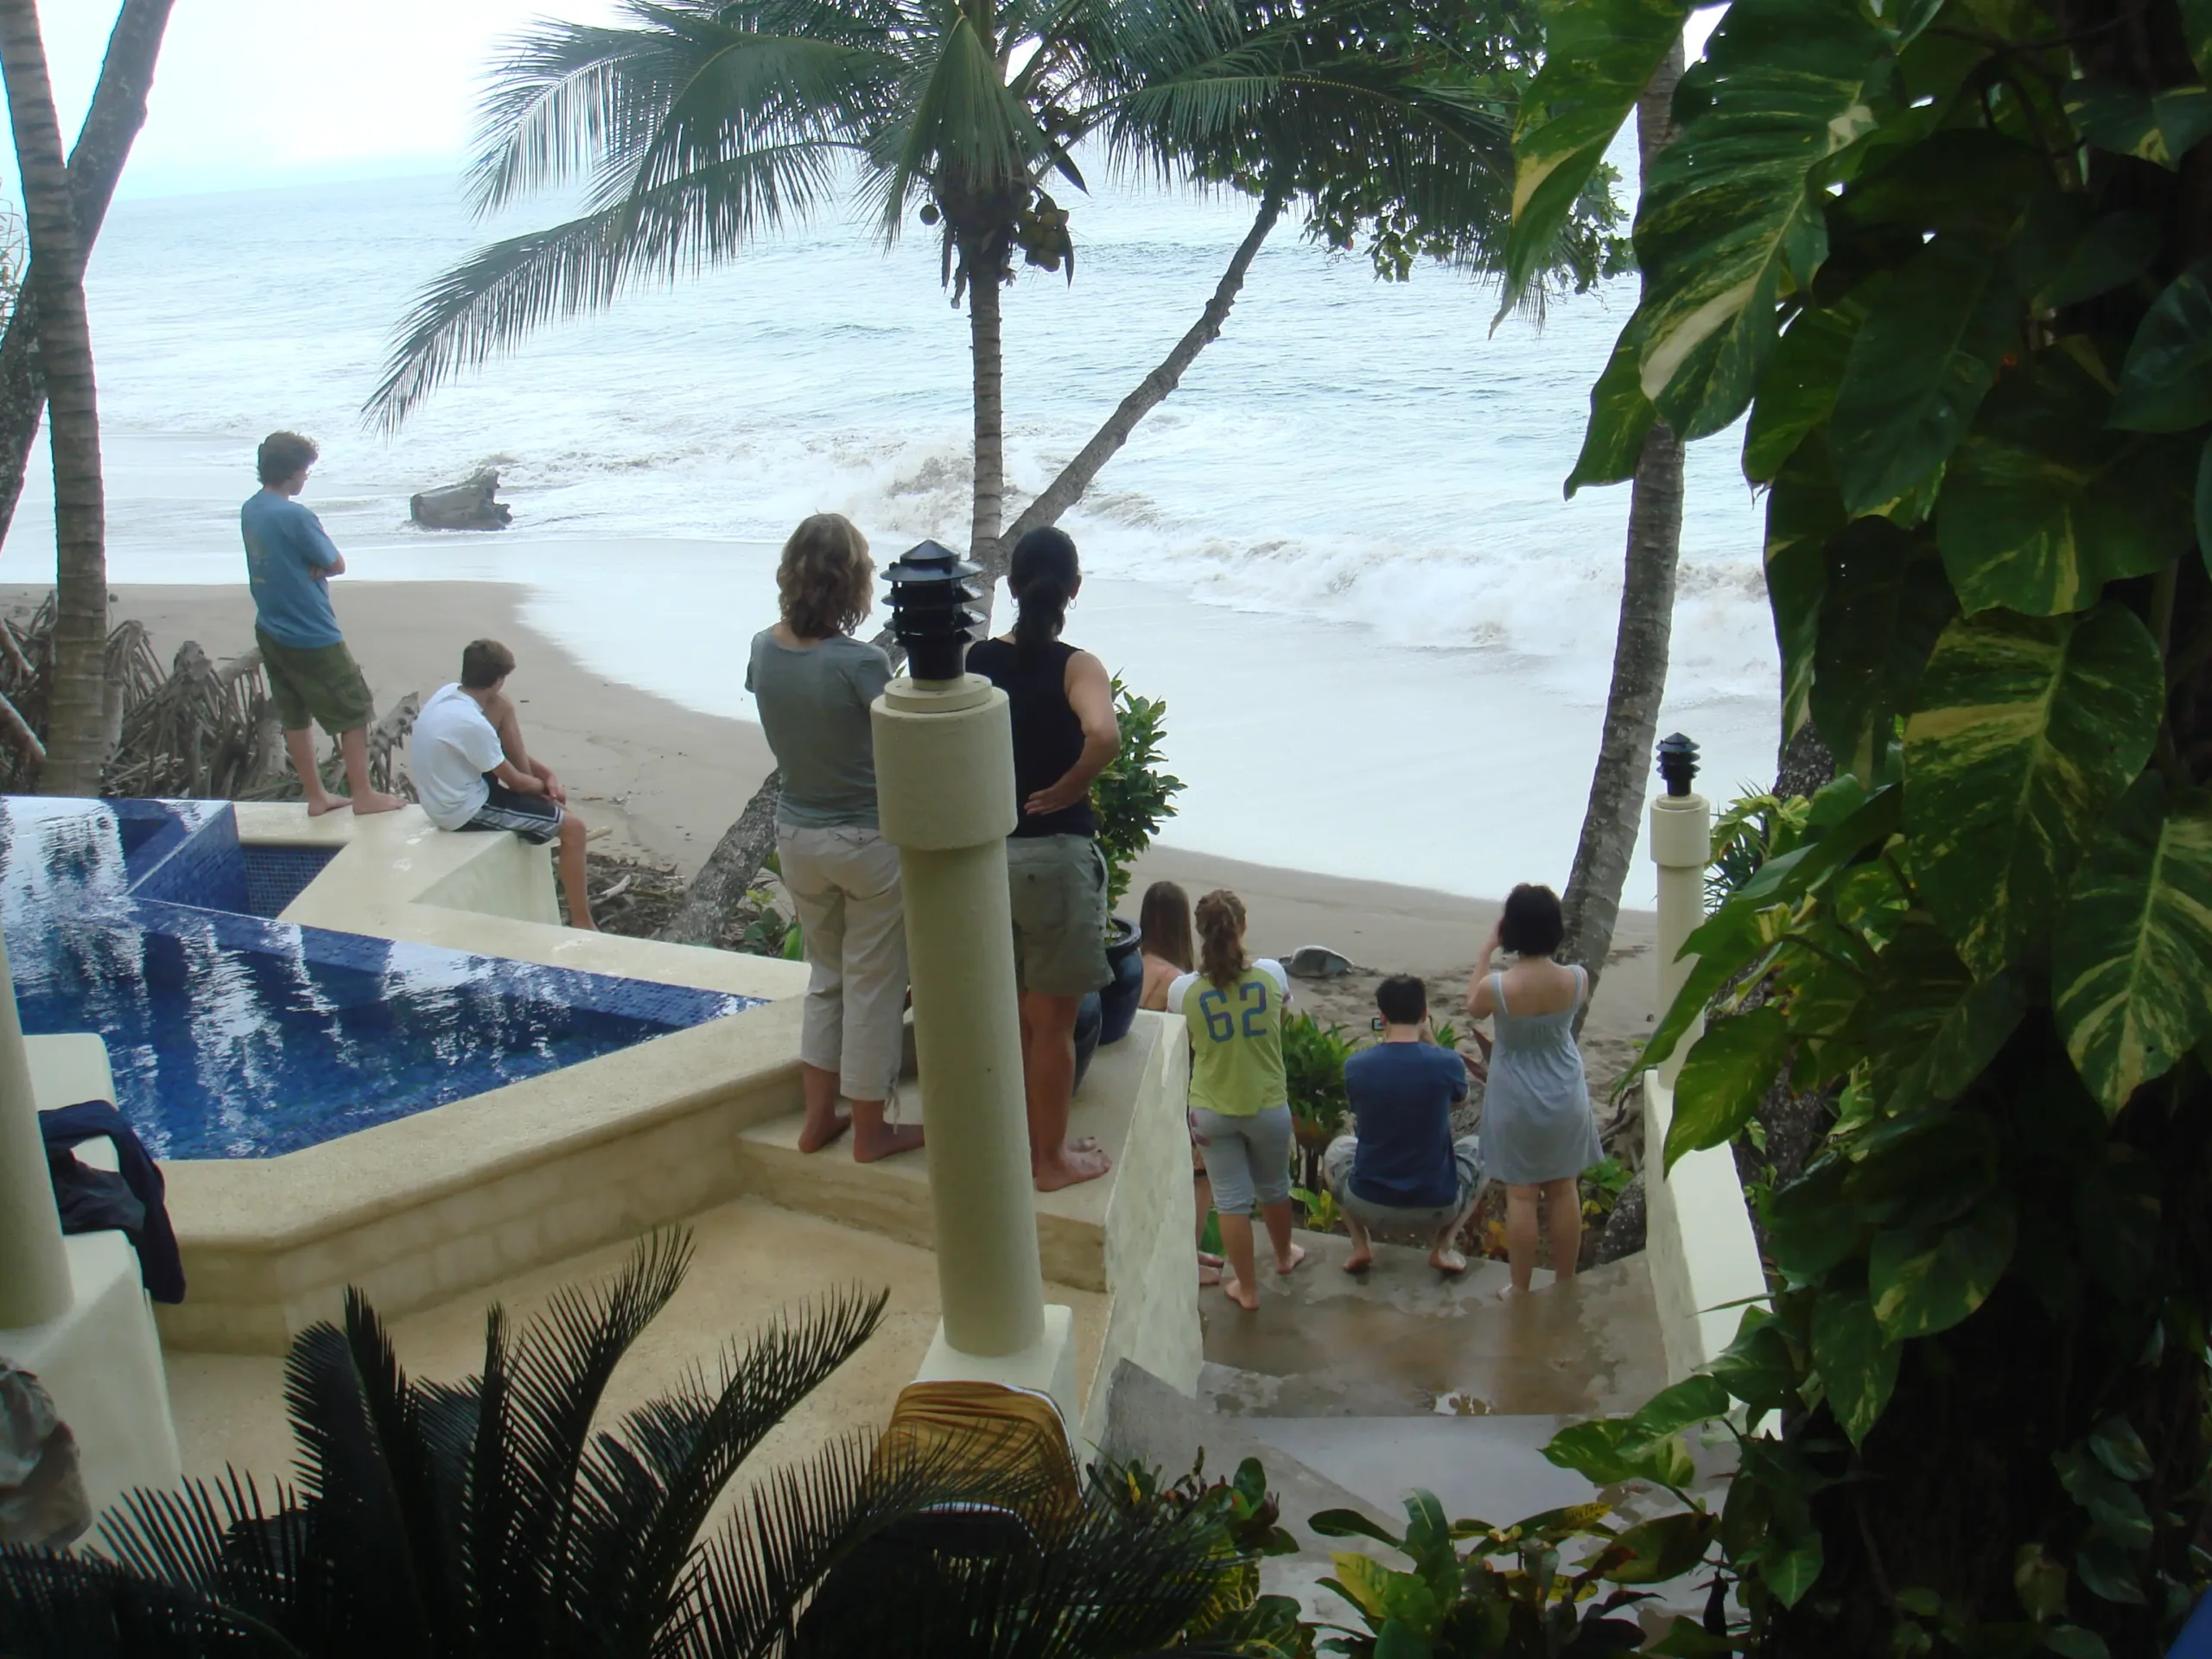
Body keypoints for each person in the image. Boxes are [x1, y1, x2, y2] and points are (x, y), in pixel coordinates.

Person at [747, 513, 923, 1164]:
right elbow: (900, 739)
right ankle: (872, 1129)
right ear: (853, 583)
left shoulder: (763, 649)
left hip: (797, 832)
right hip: (864, 839)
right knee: (874, 982)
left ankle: (819, 1118)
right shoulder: (862, 662)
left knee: (827, 978)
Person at [970, 527, 1119, 1192]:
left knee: (1006, 1018)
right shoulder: (1077, 666)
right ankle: (1048, 1160)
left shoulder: (977, 660)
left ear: (1011, 586)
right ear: (1073, 590)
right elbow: (1104, 734)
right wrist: (1070, 787)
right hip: (1054, 861)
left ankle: (1017, 1146)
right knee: (1053, 1026)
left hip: (986, 859)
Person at [240, 431, 402, 817]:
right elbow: (336, 563)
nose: (305, 477)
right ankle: (362, 794)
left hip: (271, 624)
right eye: (305, 470)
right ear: (292, 472)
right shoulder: (295, 516)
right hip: (310, 629)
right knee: (354, 710)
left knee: (294, 712)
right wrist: (316, 567)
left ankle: (316, 795)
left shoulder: (251, 509)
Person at [1167, 889, 1306, 1310]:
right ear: (1242, 926)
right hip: (1267, 1102)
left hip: (1210, 1107)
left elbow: (1185, 1041)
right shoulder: (1272, 975)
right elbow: (1280, 1021)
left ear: (1200, 932)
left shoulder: (1182, 990)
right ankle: (1284, 1256)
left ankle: (1246, 1289)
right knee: (1275, 1187)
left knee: (1230, 1199)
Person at [1466, 883, 1603, 1298]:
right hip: (1565, 1090)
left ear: (1511, 930)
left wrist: (1485, 951)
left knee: (1522, 1196)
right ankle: (1564, 1283)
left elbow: (1473, 1006)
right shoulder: (1577, 979)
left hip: (1516, 1095)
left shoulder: (1498, 987)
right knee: (1564, 1188)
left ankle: (1521, 1288)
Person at [410, 639, 598, 931]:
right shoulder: (473, 725)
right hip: (461, 810)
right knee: (574, 829)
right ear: (497, 679)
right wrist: (546, 789)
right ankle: (583, 923)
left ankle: (548, 813)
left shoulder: (450, 695)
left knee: (502, 706)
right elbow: (516, 782)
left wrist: (545, 774)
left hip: (455, 785)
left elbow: (497, 754)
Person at [1327, 975, 1486, 1275]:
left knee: (1338, 1148)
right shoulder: (1447, 1063)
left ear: (1382, 1017)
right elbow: (1460, 1100)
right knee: (1481, 1150)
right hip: (1437, 1206)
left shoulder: (1356, 1066)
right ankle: (1443, 1246)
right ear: (1424, 1014)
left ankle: (1361, 1245)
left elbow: (1359, 1107)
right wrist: (1431, 1042)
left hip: (1367, 1203)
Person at [1139, 880, 1224, 1287]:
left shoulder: (1131, 963)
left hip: (1137, 1084)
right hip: (1169, 1089)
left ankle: (1186, 1251)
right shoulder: (1177, 981)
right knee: (1199, 1173)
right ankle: (1187, 1257)